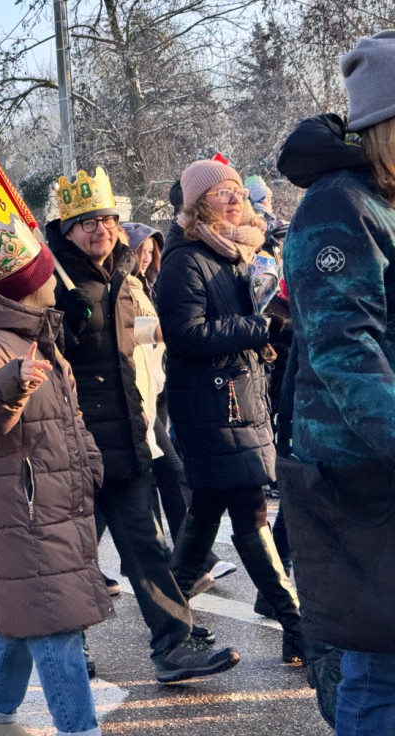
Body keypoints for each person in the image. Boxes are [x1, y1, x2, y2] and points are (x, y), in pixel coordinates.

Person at [49, 168, 239, 683]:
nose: (100, 231)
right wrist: (56, 319)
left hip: (129, 439)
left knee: (148, 551)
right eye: (87, 223)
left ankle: (173, 645)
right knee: (73, 560)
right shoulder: (51, 283)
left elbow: (149, 347)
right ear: (66, 231)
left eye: (107, 220)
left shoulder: (126, 277)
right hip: (73, 447)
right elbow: (35, 358)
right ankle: (67, 648)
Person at [0, 218, 110, 736]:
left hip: (49, 502)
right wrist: (10, 384)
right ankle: (80, 730)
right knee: (54, 622)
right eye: (44, 275)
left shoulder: (33, 335)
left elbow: (67, 416)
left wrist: (88, 461)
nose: (53, 283)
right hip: (23, 510)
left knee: (26, 619)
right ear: (25, 286)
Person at [278, 30, 395, 733]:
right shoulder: (338, 206)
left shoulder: (383, 198)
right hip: (361, 471)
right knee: (378, 665)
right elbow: (343, 348)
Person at [156, 157, 303, 665]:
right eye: (222, 193)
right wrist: (256, 328)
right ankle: (298, 628)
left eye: (238, 190)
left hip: (243, 402)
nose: (234, 198)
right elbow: (186, 335)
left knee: (205, 517)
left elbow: (255, 315)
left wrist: (279, 320)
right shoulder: (184, 259)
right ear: (197, 203)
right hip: (209, 407)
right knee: (251, 513)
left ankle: (168, 633)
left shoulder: (239, 252)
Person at [122, 222, 236, 589]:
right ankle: (188, 561)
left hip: (156, 390)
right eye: (140, 249)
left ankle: (173, 562)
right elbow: (124, 329)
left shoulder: (148, 284)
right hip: (131, 393)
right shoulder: (121, 286)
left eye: (151, 251)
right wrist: (169, 330)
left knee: (144, 484)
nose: (146, 256)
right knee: (166, 472)